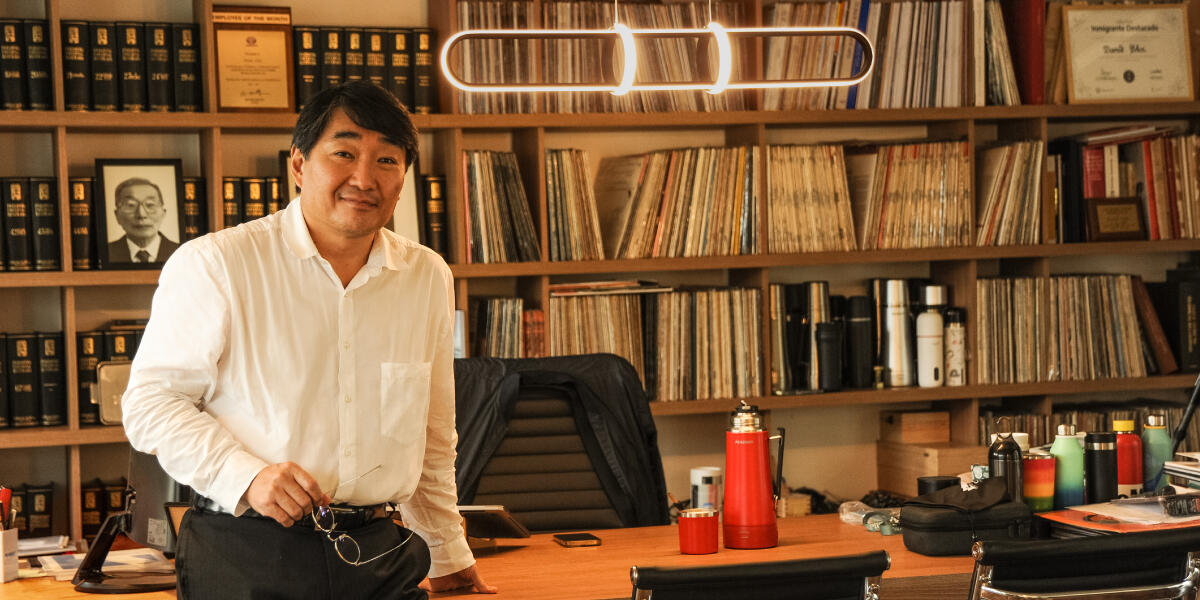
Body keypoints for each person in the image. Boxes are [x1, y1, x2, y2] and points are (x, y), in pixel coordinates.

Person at [121, 81, 495, 599]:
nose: (364, 178)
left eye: (387, 161)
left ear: (403, 180)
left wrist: (448, 554)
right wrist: (246, 476)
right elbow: (150, 404)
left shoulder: (426, 276)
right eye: (344, 153)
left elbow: (432, 434)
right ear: (299, 164)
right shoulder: (217, 263)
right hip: (249, 550)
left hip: (380, 551)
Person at [107, 177, 179, 264]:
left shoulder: (180, 251)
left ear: (163, 213)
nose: (141, 215)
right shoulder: (107, 252)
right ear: (117, 215)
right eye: (131, 205)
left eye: (150, 205)